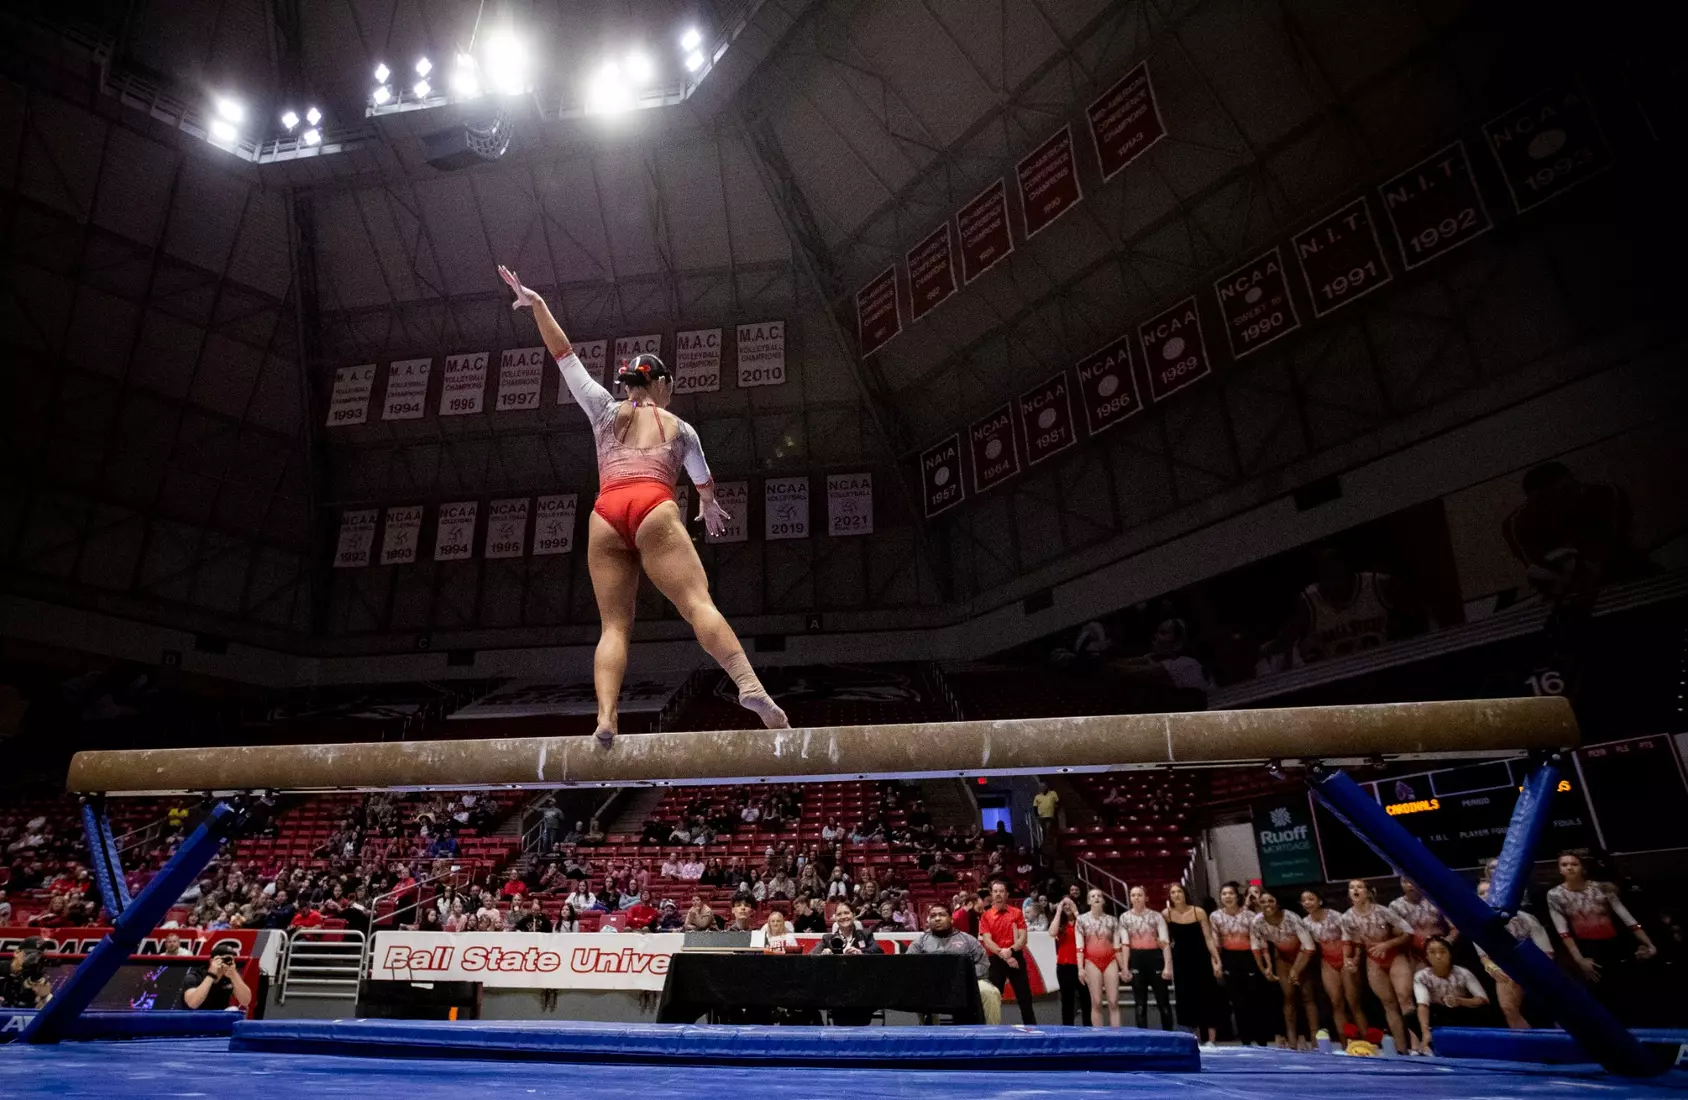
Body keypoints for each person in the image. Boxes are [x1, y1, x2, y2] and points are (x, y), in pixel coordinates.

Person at [498, 264, 788, 743]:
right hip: (654, 507)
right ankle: (749, 685)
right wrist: (709, 506)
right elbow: (704, 482)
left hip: (606, 513)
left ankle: (607, 717)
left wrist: (540, 305)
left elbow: (563, 355)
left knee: (614, 626)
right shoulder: (680, 427)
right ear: (661, 384)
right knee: (696, 603)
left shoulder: (603, 409)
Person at [1547, 852, 1656, 1016]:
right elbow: (1563, 931)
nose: (1569, 867)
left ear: (1582, 867)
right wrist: (1579, 959)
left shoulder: (1602, 889)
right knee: (1599, 994)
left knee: (1628, 991)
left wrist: (1649, 943)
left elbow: (1628, 919)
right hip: (1587, 948)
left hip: (1615, 944)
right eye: (1564, 864)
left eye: (1574, 864)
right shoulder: (1555, 894)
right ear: (1559, 869)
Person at [1340, 878, 1415, 1055]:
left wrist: (1387, 945)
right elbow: (1347, 940)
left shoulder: (1383, 911)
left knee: (1405, 999)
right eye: (1351, 887)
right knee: (1388, 1004)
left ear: (1368, 892)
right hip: (1374, 960)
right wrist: (1347, 960)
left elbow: (1408, 932)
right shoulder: (1347, 917)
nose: (1355, 890)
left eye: (1359, 887)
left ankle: (1418, 1045)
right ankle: (1401, 1049)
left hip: (1394, 956)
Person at [1473, 879, 1552, 1029]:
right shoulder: (1478, 924)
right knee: (1508, 1008)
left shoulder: (1525, 918)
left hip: (1534, 967)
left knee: (1551, 1008)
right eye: (1481, 893)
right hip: (1506, 971)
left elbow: (1547, 951)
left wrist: (1539, 972)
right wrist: (1494, 970)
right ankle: (1529, 1047)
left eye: (1488, 891)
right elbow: (1484, 957)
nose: (1485, 895)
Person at [907, 903, 1001, 1025]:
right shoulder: (919, 942)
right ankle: (931, 1033)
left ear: (951, 919)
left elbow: (983, 964)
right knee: (920, 991)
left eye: (942, 915)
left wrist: (964, 978)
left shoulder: (968, 940)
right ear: (928, 921)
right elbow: (909, 966)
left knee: (990, 992)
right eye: (933, 916)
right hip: (932, 986)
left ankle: (991, 1036)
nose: (937, 918)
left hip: (967, 984)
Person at [1251, 890, 1316, 1049]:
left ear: (1277, 903)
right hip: (1283, 957)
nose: (1267, 905)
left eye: (1271, 901)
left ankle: (1315, 1039)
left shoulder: (1291, 917)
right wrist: (1264, 969)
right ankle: (1291, 1039)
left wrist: (1297, 970)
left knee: (1307, 996)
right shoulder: (1256, 922)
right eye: (1263, 902)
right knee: (1289, 997)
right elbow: (1256, 948)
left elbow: (1309, 947)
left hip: (1302, 954)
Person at [1211, 882, 1269, 1045]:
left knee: (1254, 998)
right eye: (1224, 894)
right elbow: (1215, 943)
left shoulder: (1250, 915)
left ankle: (1262, 1038)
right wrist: (1216, 963)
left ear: (1237, 896)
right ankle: (1246, 1040)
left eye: (1230, 893)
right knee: (1237, 1001)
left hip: (1249, 957)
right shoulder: (1215, 916)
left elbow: (1259, 940)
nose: (1227, 897)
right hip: (1229, 958)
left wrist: (1266, 964)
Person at [1412, 936, 1489, 1052]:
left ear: (1450, 954)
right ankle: (1421, 1048)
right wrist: (1425, 1031)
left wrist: (1459, 1001)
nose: (1438, 956)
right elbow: (1423, 1005)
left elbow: (1483, 1000)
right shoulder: (1421, 977)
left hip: (1465, 1012)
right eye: (1432, 952)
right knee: (1411, 1016)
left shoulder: (1463, 973)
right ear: (1427, 956)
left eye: (1442, 952)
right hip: (1438, 1014)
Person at [1165, 882, 1220, 1043]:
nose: (1176, 895)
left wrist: (1216, 959)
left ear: (1185, 894)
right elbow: (1165, 940)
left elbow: (1209, 939)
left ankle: (1211, 1039)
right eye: (1173, 892)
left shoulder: (1199, 912)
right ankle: (1194, 1037)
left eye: (1179, 891)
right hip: (1181, 960)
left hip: (1201, 958)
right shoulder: (1166, 914)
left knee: (1207, 995)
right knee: (1186, 997)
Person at [979, 880, 1036, 1025]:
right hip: (996, 959)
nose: (998, 894)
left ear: (1007, 894)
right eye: (995, 891)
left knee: (1025, 996)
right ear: (991, 894)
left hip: (1015, 956)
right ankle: (991, 1029)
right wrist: (1003, 954)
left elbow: (1023, 938)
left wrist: (1010, 950)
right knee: (993, 996)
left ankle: (1032, 1030)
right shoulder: (986, 915)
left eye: (1001, 891)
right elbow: (987, 940)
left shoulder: (1016, 913)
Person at [1301, 888, 1354, 1039]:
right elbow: (1305, 947)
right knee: (1336, 1002)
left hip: (1345, 958)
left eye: (1310, 899)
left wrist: (1349, 959)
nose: (1307, 903)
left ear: (1319, 900)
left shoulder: (1335, 916)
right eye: (1304, 900)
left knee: (1352, 1002)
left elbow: (1349, 938)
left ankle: (1363, 1040)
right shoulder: (1305, 923)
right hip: (1328, 962)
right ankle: (1346, 1043)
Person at [1121, 885, 1173, 1030]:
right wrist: (1125, 967)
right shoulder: (1124, 917)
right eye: (1133, 895)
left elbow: (1165, 942)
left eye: (1139, 895)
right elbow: (1125, 944)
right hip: (1137, 958)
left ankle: (1168, 1036)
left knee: (1163, 1002)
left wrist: (1167, 966)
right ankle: (1143, 1037)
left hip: (1155, 958)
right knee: (1140, 1003)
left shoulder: (1156, 916)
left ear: (1146, 898)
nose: (1136, 898)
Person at [1074, 888, 1122, 1027]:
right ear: (1088, 901)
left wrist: (1124, 967)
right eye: (1093, 896)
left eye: (1099, 896)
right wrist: (1080, 968)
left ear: (1103, 900)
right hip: (1091, 961)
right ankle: (1099, 1036)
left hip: (1110, 960)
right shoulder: (1081, 920)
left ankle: (1117, 1035)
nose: (1096, 898)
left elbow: (1117, 947)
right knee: (1096, 1002)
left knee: (1113, 1001)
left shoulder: (1112, 920)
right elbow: (1079, 946)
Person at [1048, 892, 1091, 1027]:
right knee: (1067, 1001)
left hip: (1081, 966)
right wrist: (1058, 911)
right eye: (1064, 904)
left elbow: (1088, 931)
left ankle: (1087, 1028)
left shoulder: (1082, 919)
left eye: (1069, 903)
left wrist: (1076, 911)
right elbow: (1052, 933)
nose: (1067, 906)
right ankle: (1068, 1029)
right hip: (1064, 965)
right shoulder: (1061, 923)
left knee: (1086, 999)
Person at [1390, 877, 1454, 966]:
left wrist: (1446, 943)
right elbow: (1397, 934)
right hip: (1414, 953)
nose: (1409, 885)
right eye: (1405, 881)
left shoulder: (1436, 900)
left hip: (1442, 946)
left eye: (1412, 881)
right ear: (1401, 884)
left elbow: (1454, 928)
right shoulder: (1395, 906)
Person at [181, 944, 252, 1011]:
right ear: (212, 961)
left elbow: (245, 1001)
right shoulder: (195, 976)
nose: (227, 962)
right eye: (224, 959)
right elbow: (193, 1004)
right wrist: (211, 975)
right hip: (195, 1018)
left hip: (220, 1017)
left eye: (230, 959)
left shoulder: (230, 977)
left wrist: (234, 975)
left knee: (234, 1009)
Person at [1032, 781, 1060, 855]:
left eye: (1043, 787)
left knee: (1049, 831)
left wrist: (1055, 811)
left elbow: (1057, 803)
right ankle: (1046, 847)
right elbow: (1035, 807)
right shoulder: (1037, 796)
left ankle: (1050, 847)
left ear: (1046, 787)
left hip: (1050, 816)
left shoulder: (1053, 793)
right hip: (1042, 817)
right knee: (1044, 832)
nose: (1041, 788)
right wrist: (1037, 815)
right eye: (1040, 787)